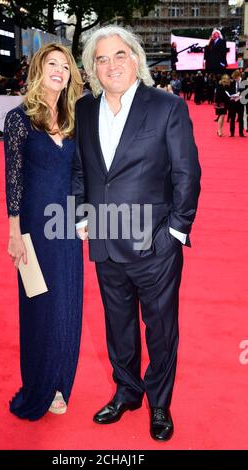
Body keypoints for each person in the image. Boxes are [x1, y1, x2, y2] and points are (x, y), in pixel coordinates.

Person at [73, 26, 201, 441]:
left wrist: (176, 232)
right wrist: (81, 217)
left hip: (156, 244)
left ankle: (159, 403)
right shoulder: (85, 108)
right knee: (118, 324)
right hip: (105, 241)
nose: (111, 66)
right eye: (102, 58)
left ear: (136, 59)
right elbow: (81, 169)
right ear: (93, 67)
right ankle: (127, 391)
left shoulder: (166, 106)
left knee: (161, 328)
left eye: (119, 56)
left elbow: (187, 173)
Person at [4, 43, 84, 420]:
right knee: (40, 307)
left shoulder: (74, 118)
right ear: (39, 69)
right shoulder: (19, 119)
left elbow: (83, 175)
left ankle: (58, 383)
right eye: (52, 63)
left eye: (65, 66)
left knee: (67, 306)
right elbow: (14, 180)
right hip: (34, 229)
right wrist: (14, 232)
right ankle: (39, 383)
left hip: (66, 227)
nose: (59, 70)